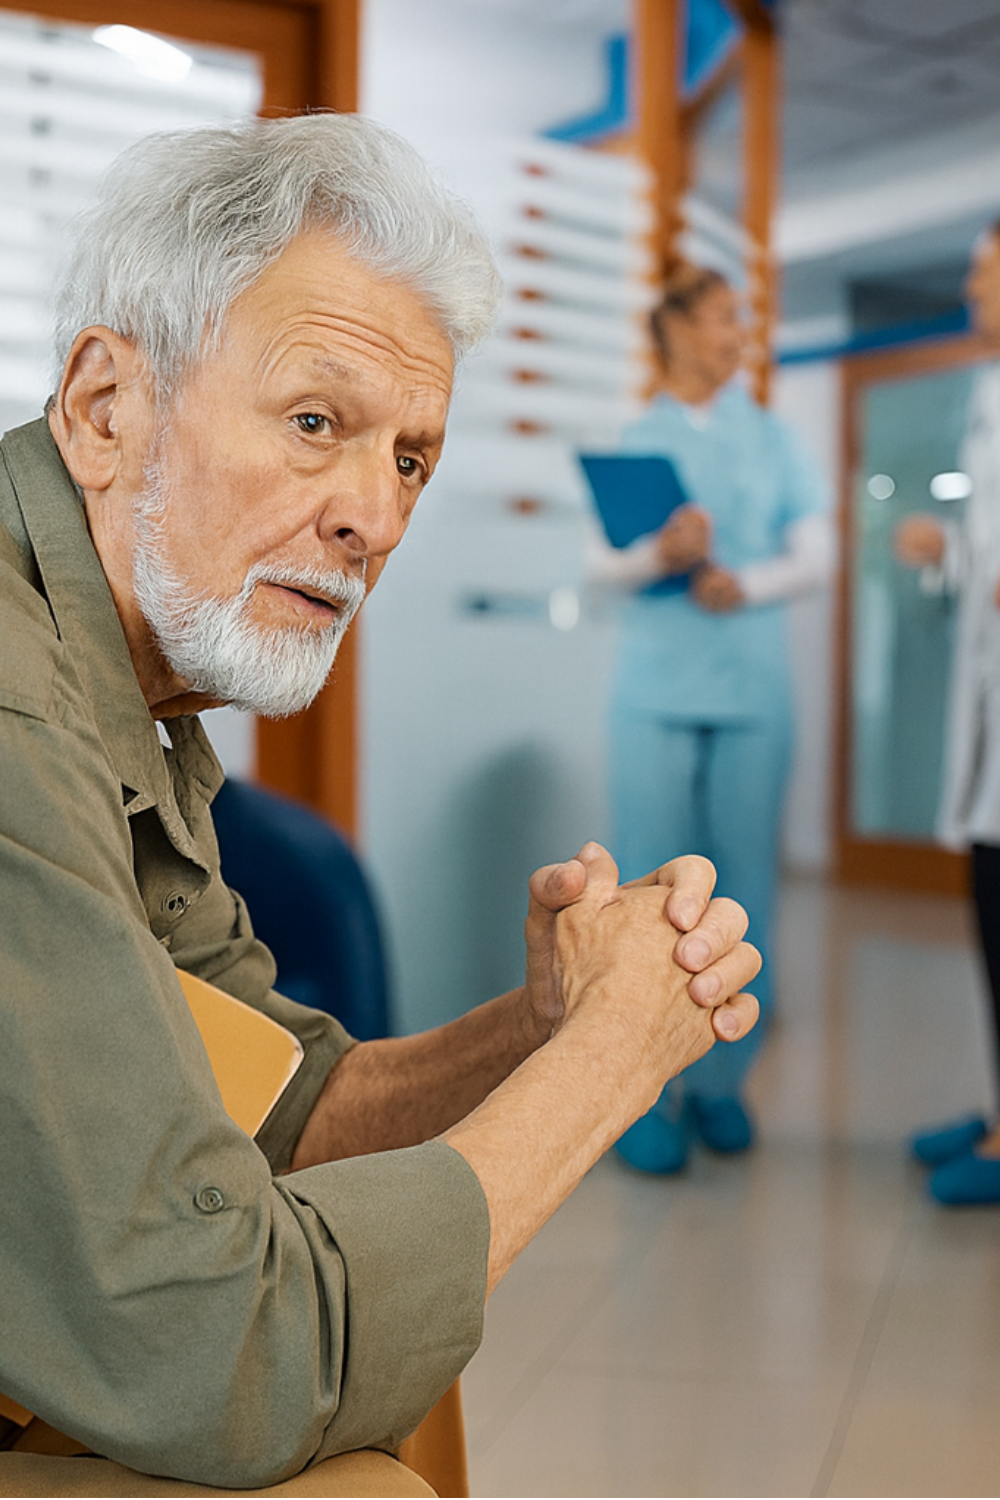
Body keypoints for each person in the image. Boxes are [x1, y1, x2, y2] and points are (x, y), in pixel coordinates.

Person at [0, 116, 762, 1489]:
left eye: (410, 457)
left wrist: (543, 1024)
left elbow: (283, 1107)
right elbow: (222, 1353)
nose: (379, 520)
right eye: (315, 423)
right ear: (106, 408)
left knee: (395, 1376)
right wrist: (615, 1059)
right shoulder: (17, 711)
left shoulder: (127, 678)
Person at [589, 263, 831, 1176]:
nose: (740, 334)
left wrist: (749, 583)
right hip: (655, 687)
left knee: (744, 888)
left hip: (751, 688)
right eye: (726, 316)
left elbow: (816, 554)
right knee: (647, 892)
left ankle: (723, 1084)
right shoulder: (634, 438)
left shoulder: (771, 439)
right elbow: (600, 565)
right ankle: (645, 1093)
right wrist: (662, 552)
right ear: (679, 329)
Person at [895, 222, 1000, 1207]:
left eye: (984, 272)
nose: (972, 287)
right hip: (988, 714)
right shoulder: (987, 392)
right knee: (989, 922)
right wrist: (956, 553)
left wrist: (964, 556)